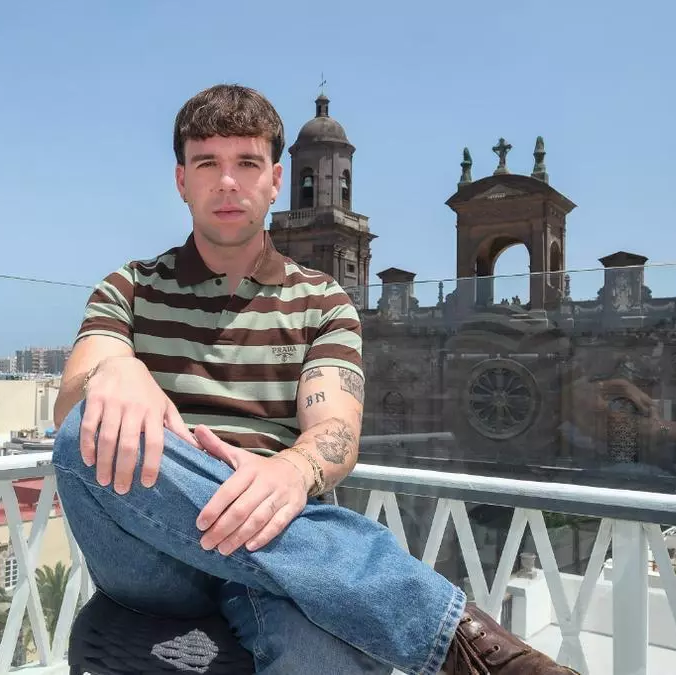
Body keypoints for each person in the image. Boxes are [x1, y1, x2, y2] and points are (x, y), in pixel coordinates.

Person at [51, 83, 578, 675]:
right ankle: (458, 638)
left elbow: (336, 430)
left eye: (247, 163)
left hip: (277, 538)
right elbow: (71, 402)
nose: (227, 181)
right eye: (207, 164)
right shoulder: (129, 288)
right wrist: (115, 368)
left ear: (276, 180)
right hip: (153, 555)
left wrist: (291, 470)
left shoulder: (325, 302)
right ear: (182, 180)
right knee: (79, 431)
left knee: (322, 652)